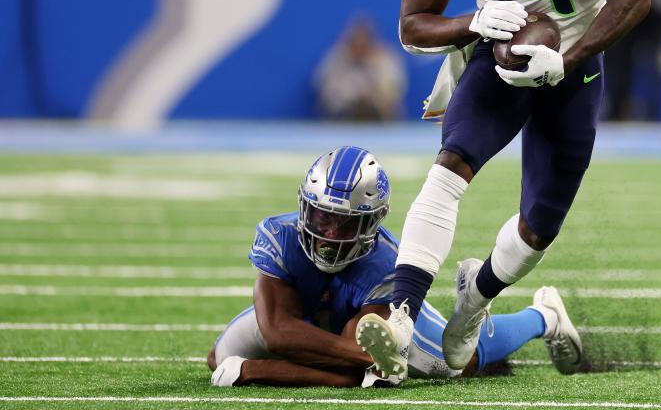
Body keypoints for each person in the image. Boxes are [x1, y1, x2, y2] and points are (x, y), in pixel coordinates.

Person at [354, 0, 650, 382]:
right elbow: (412, 27)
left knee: (539, 227)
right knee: (448, 168)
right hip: (499, 52)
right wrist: (473, 22)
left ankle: (473, 303)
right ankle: (403, 317)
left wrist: (569, 58)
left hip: (573, 62)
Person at [208, 145, 582, 388]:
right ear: (306, 208)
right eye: (323, 218)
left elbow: (353, 374)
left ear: (371, 223)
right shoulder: (279, 235)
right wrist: (369, 357)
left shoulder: (385, 265)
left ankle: (542, 317)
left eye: (346, 223)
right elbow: (279, 333)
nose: (330, 234)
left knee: (459, 362)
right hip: (316, 320)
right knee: (219, 357)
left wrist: (255, 371)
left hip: (357, 315)